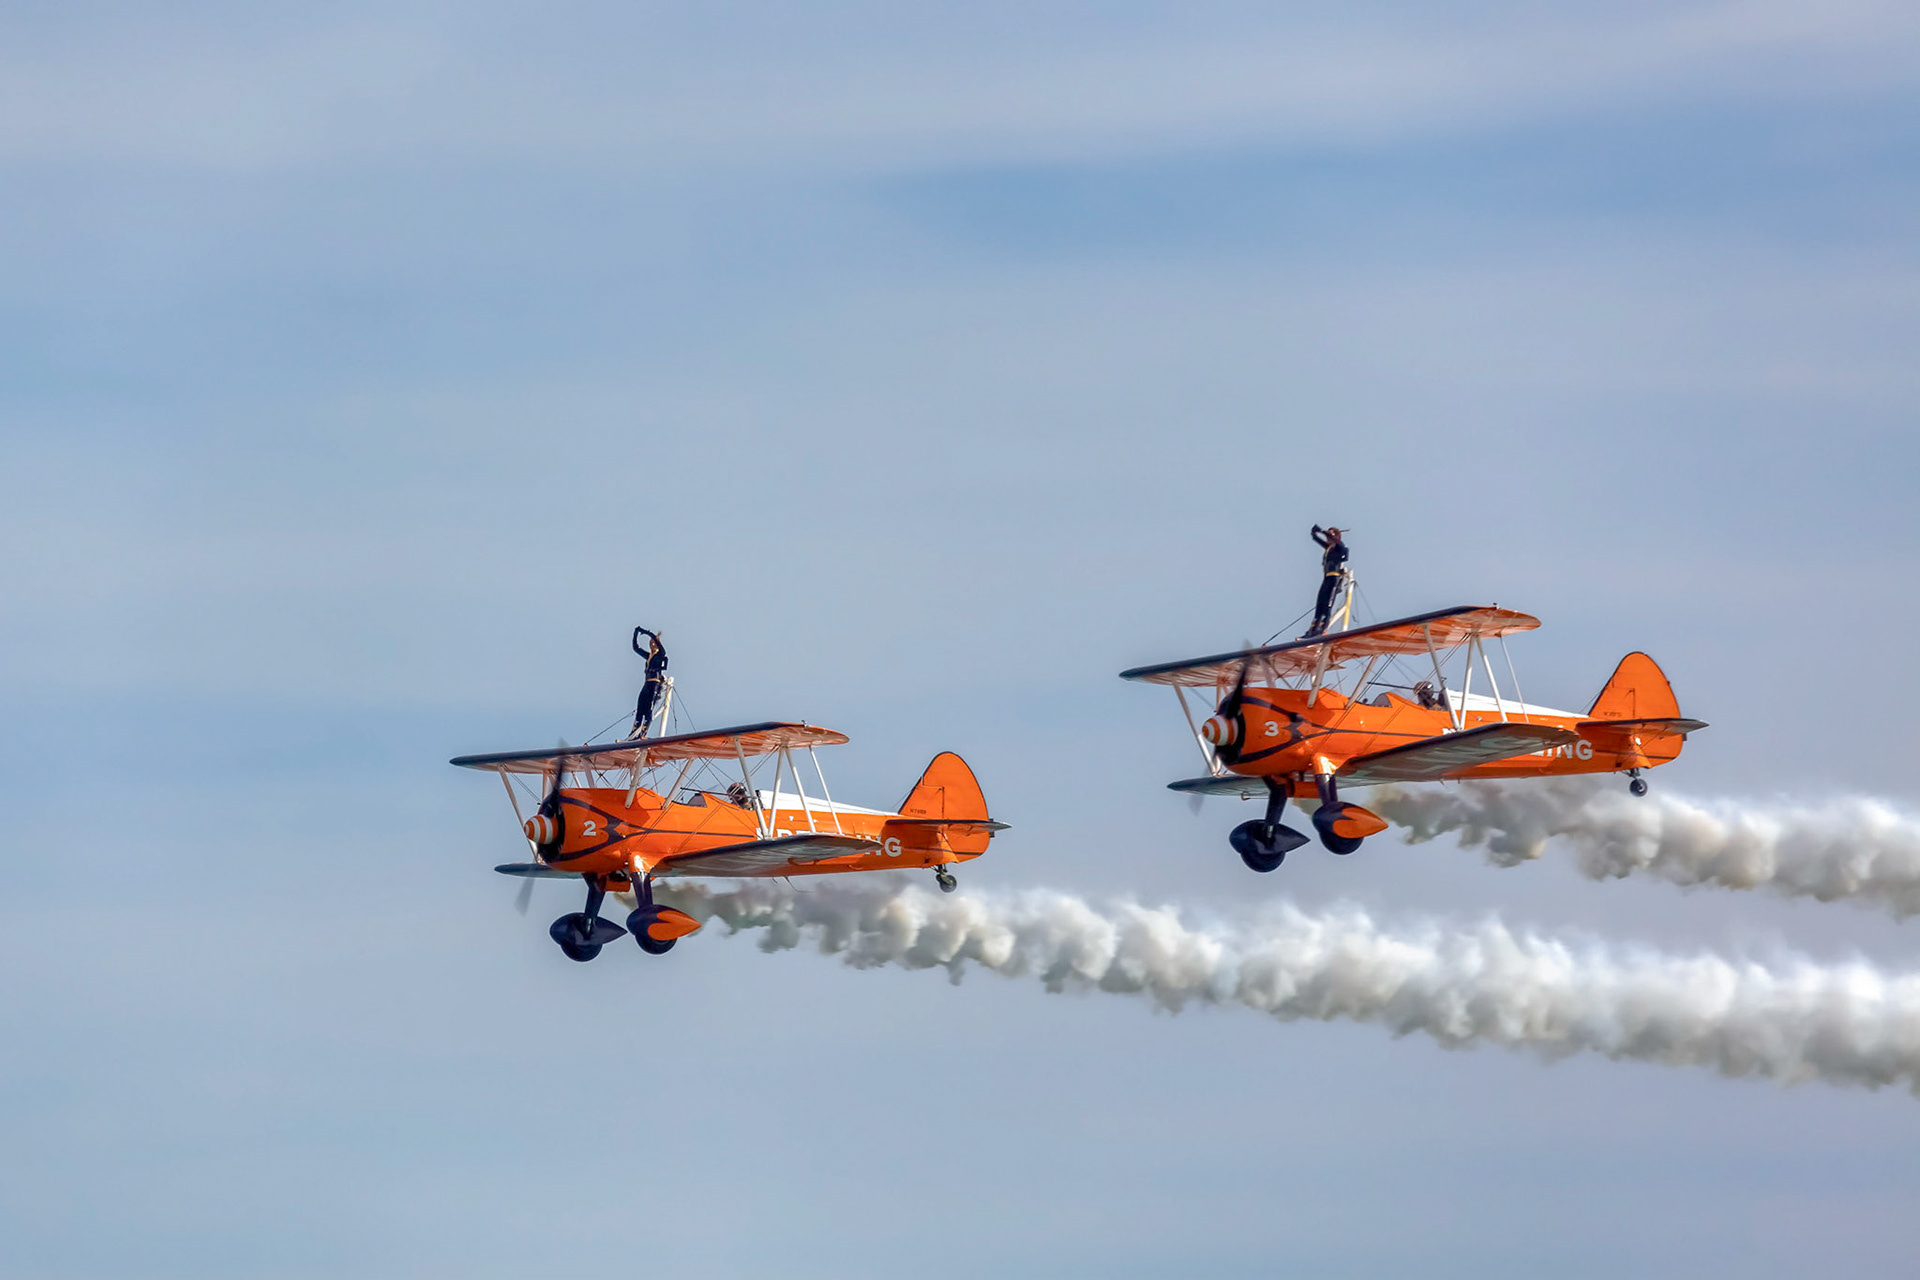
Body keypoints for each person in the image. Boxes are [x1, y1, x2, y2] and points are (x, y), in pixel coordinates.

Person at [1303, 525, 1349, 638]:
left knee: (1328, 603)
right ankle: (1313, 627)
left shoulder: (1340, 547)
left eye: (1331, 535)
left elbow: (1337, 542)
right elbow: (1319, 540)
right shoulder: (1330, 548)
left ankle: (1322, 626)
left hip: (1334, 578)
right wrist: (1314, 534)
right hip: (1327, 578)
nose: (1328, 538)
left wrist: (1323, 531)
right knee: (1320, 602)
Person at [630, 626, 669, 738]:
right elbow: (636, 648)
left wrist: (647, 633)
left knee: (648, 709)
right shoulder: (648, 656)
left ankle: (643, 733)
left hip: (655, 684)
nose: (652, 645)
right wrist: (635, 634)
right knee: (640, 708)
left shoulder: (661, 654)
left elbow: (659, 645)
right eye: (650, 643)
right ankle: (633, 733)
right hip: (647, 684)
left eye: (653, 643)